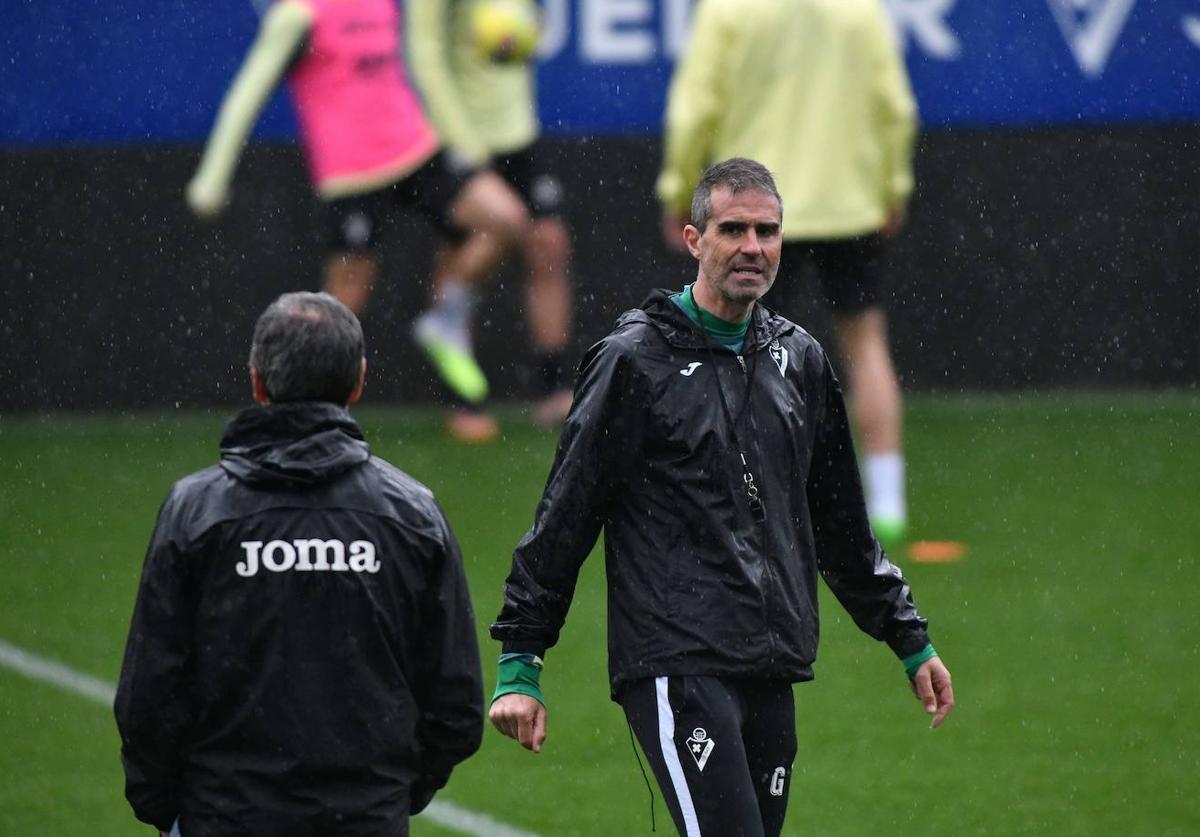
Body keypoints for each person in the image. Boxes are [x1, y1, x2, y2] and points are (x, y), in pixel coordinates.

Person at [489, 160, 953, 836]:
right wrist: (520, 661)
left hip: (771, 656)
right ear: (693, 239)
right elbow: (567, 512)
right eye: (732, 229)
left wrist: (908, 638)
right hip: (675, 659)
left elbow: (840, 527)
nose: (752, 247)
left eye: (767, 231)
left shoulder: (801, 361)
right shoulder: (633, 361)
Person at [114, 292, 484, 835]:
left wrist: (178, 806)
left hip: (225, 819)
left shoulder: (195, 512)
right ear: (358, 382)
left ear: (257, 381)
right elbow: (455, 705)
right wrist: (384, 797)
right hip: (366, 821)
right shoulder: (412, 516)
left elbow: (149, 697)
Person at [185, 0, 528, 443]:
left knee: (505, 218)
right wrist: (212, 177)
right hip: (350, 170)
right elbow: (246, 93)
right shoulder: (298, 15)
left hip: (415, 148)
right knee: (342, 304)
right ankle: (297, 418)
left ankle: (445, 321)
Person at [656, 0, 917, 544]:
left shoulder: (728, 11)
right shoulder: (860, 10)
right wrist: (892, 186)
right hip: (848, 203)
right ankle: (888, 502)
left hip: (753, 212)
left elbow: (692, 114)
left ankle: (751, 493)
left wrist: (681, 194)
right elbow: (896, 108)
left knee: (743, 353)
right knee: (866, 343)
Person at [406, 0, 575, 432]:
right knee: (468, 242)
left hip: (517, 132)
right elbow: (425, 57)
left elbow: (524, 27)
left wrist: (521, 31)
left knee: (548, 243)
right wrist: (464, 144)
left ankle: (553, 388)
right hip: (454, 136)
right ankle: (460, 398)